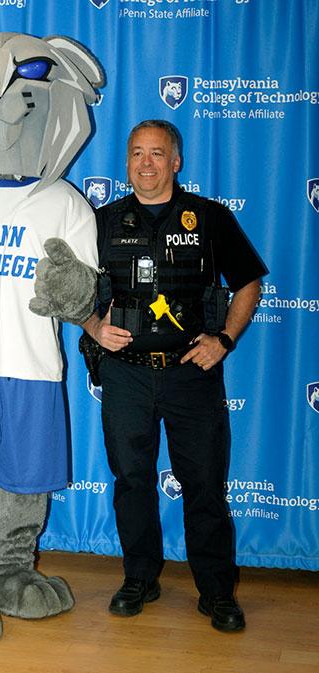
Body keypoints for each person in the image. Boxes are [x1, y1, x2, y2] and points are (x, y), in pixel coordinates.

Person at [82, 119, 268, 632]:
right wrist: (93, 326)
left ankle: (216, 591)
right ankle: (139, 577)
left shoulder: (208, 218)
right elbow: (68, 286)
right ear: (127, 162)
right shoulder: (100, 221)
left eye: (157, 153)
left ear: (176, 161)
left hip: (192, 374)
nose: (146, 162)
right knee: (132, 481)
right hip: (126, 376)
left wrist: (224, 340)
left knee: (205, 483)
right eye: (137, 153)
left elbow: (249, 281)